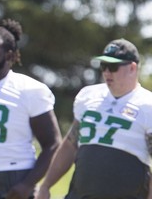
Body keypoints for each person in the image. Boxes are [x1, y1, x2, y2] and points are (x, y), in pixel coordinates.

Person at [36, 38, 152, 199]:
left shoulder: (148, 105)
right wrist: (46, 185)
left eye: (113, 66)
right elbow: (70, 144)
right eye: (103, 66)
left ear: (132, 68)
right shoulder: (88, 95)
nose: (106, 72)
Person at [0, 18, 62, 199]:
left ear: (9, 55)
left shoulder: (29, 89)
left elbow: (53, 144)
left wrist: (27, 184)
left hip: (15, 172)